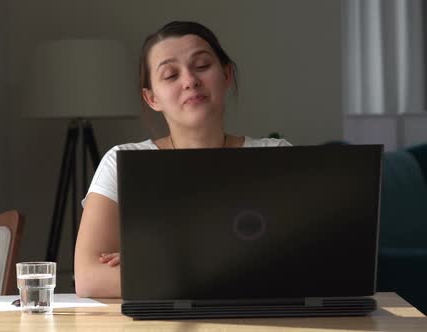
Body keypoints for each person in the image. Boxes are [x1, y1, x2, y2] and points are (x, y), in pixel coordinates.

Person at [74, 21, 291, 298]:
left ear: (226, 75)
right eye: (170, 75)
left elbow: (298, 261)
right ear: (152, 98)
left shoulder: (275, 155)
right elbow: (89, 277)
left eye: (201, 66)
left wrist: (150, 268)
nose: (190, 81)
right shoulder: (122, 162)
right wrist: (232, 267)